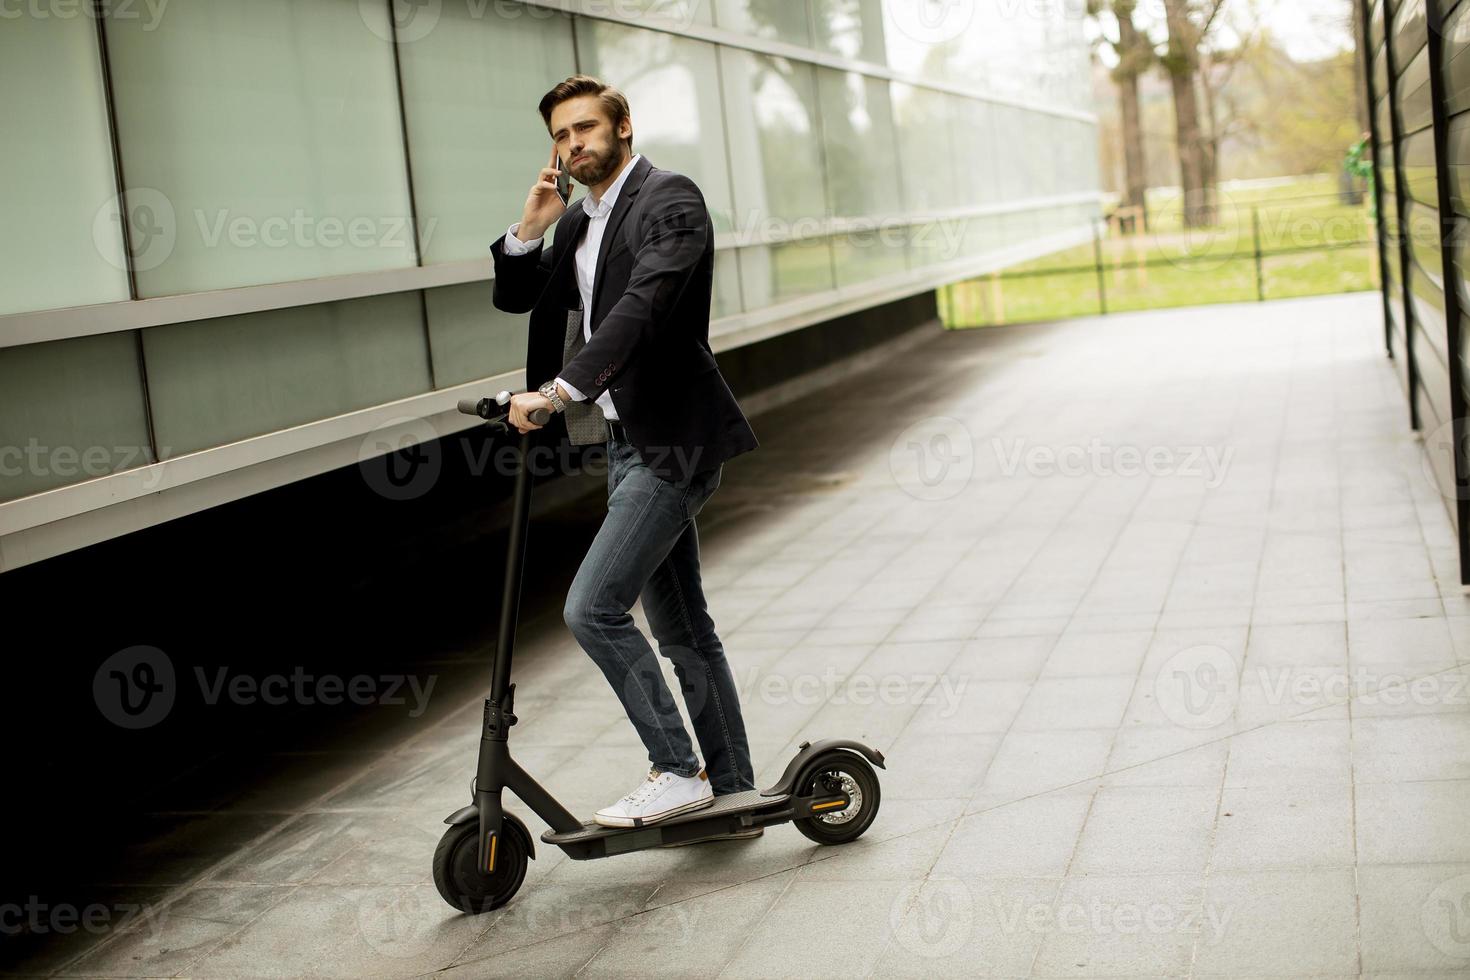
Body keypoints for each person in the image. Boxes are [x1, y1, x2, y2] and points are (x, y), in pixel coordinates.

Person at [490, 75, 761, 839]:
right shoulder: (577, 223)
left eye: (587, 128)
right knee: (682, 629)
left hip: (672, 440)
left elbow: (645, 308)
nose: (576, 144)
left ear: (624, 127)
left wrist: (561, 389)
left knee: (593, 608)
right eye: (563, 135)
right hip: (624, 441)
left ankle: (678, 771)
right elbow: (520, 300)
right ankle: (731, 792)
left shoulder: (671, 200)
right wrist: (529, 230)